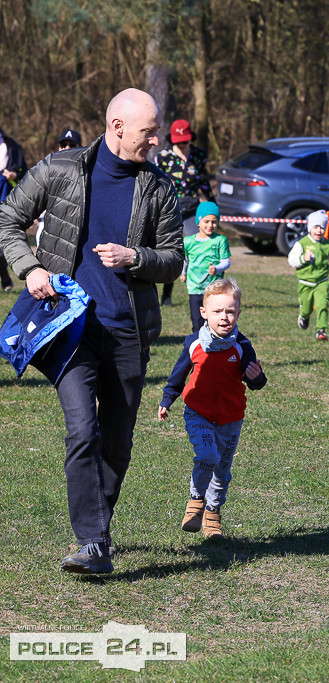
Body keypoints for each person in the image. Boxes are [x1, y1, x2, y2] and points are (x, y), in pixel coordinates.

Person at [0, 88, 184, 574]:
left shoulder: (159, 187)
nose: (156, 141)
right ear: (117, 127)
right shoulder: (61, 168)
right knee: (83, 429)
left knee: (117, 443)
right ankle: (93, 542)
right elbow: (7, 219)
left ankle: (96, 534)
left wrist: (135, 257)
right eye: (149, 132)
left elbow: (174, 260)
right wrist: (30, 268)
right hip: (70, 327)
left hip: (129, 332)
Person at [158, 278, 267, 539]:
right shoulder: (194, 343)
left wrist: (257, 378)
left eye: (230, 311)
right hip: (199, 413)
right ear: (204, 312)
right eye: (217, 311)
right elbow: (178, 376)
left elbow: (256, 381)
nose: (224, 317)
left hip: (231, 418)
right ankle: (196, 501)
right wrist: (167, 399)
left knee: (222, 471)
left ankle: (212, 514)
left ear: (238, 313)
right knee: (208, 456)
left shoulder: (243, 347)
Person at [156, 118, 211, 306]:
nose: (182, 145)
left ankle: (199, 293)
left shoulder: (199, 155)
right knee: (172, 250)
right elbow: (157, 184)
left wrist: (212, 204)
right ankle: (167, 295)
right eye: (178, 142)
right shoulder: (163, 157)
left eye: (185, 141)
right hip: (170, 209)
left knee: (198, 250)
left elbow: (204, 181)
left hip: (192, 209)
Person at [288, 209, 329, 342]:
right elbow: (292, 260)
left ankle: (321, 330)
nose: (319, 231)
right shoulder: (301, 244)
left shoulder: (328, 245)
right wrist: (303, 258)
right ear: (310, 228)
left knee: (322, 305)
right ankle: (304, 316)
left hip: (322, 282)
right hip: (305, 282)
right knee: (306, 308)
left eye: (322, 227)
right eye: (315, 227)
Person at [181, 201, 231, 332]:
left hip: (214, 288)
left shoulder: (220, 240)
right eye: (206, 221)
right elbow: (186, 260)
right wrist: (183, 273)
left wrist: (217, 269)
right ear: (198, 222)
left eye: (214, 222)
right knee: (196, 321)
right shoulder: (188, 241)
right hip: (194, 287)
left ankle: (214, 342)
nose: (210, 225)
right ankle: (198, 342)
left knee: (213, 321)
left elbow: (226, 262)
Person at [0, 126, 28, 291]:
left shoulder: (12, 146)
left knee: (3, 241)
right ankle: (5, 277)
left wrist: (14, 175)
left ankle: (6, 275)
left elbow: (25, 172)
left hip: (6, 195)